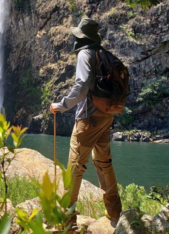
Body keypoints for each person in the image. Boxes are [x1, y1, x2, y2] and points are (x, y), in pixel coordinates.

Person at [50, 18, 122, 226]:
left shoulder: (85, 54)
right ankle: (115, 213)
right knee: (103, 162)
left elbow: (81, 85)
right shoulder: (105, 55)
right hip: (106, 116)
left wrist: (61, 105)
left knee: (75, 165)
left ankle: (66, 219)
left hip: (88, 118)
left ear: (82, 38)